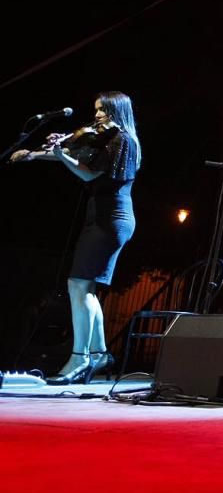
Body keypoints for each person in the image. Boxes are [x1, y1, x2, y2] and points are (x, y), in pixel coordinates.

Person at [9, 91, 141, 384]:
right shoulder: (107, 139)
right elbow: (76, 156)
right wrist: (35, 155)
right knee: (85, 288)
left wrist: (59, 153)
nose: (96, 116)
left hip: (111, 220)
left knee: (78, 285)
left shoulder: (123, 141)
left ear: (117, 111)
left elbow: (88, 175)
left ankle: (80, 357)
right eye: (96, 110)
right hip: (101, 219)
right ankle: (99, 353)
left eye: (102, 111)